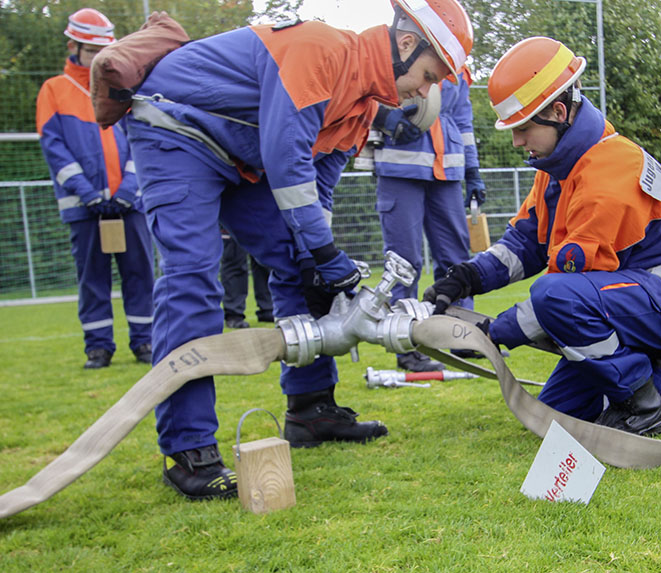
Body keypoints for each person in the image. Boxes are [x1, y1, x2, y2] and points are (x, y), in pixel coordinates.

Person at [123, 0, 474, 500]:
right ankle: (188, 451)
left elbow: (318, 191)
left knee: (302, 265)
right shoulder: (322, 50)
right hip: (176, 131)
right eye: (429, 74)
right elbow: (287, 163)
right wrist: (325, 253)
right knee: (194, 279)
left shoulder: (364, 106)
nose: (426, 89)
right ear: (405, 44)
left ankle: (310, 412)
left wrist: (322, 260)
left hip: (240, 160)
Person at [424, 37, 661, 437]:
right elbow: (526, 243)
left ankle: (644, 406)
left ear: (558, 111)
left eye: (523, 128)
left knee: (554, 296)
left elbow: (562, 299)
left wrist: (491, 335)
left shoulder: (607, 172)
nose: (517, 141)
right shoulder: (558, 167)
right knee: (557, 416)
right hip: (636, 292)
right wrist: (466, 277)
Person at [36, 8, 154, 370]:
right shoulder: (54, 90)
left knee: (141, 274)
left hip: (129, 204)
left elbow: (140, 141)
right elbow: (54, 148)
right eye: (91, 51)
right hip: (83, 207)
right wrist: (87, 193)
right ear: (73, 45)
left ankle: (145, 342)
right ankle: (98, 348)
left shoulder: (123, 89)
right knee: (92, 280)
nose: (98, 58)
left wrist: (128, 189)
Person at [372, 62, 486, 372]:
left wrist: (472, 170)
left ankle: (461, 338)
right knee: (403, 262)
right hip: (400, 168)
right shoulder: (396, 59)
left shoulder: (459, 70)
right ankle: (406, 344)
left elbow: (463, 120)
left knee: (455, 259)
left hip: (447, 171)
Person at [220, 227, 274, 329]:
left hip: (257, 215)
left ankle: (268, 309)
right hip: (231, 216)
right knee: (234, 261)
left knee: (264, 260)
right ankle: (233, 315)